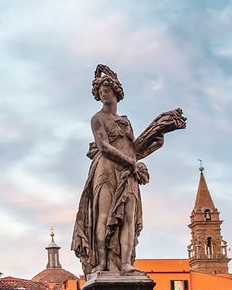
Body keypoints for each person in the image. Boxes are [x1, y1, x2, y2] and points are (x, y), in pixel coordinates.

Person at [71, 65, 183, 276]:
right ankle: (102, 263)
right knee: (104, 216)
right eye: (100, 92)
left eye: (107, 90)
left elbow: (134, 152)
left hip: (128, 172)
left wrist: (155, 145)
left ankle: (125, 263)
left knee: (128, 218)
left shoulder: (126, 123)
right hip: (105, 170)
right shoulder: (97, 119)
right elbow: (104, 147)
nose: (103, 94)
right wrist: (131, 164)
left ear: (116, 93)